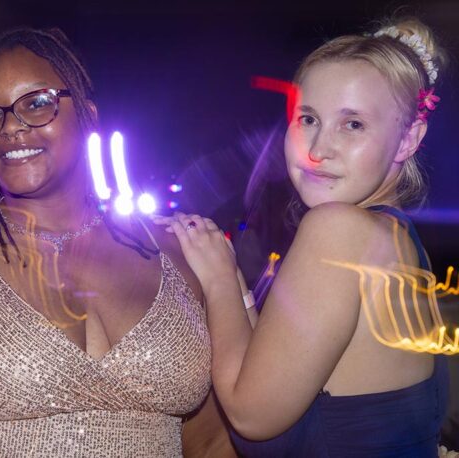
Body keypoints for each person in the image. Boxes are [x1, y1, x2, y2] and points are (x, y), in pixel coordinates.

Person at [0, 27, 234, 457]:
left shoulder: (176, 252)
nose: (10, 128)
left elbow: (209, 442)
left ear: (89, 115)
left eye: (37, 103)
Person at [159, 18, 449, 455]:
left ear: (409, 138)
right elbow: (278, 370)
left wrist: (218, 279)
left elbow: (251, 414)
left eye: (352, 125)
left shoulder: (338, 229)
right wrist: (235, 283)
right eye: (308, 118)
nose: (316, 149)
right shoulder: (393, 237)